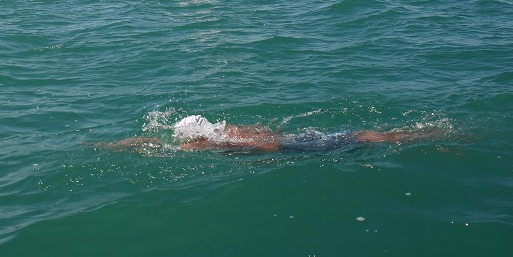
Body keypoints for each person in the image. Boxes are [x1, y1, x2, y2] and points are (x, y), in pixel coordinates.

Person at [99, 115, 448, 154]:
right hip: (298, 140)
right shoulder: (225, 132)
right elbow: (266, 133)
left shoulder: (212, 144)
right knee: (363, 134)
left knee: (365, 137)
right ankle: (430, 134)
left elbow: (268, 141)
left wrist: (268, 149)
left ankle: (432, 137)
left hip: (295, 148)